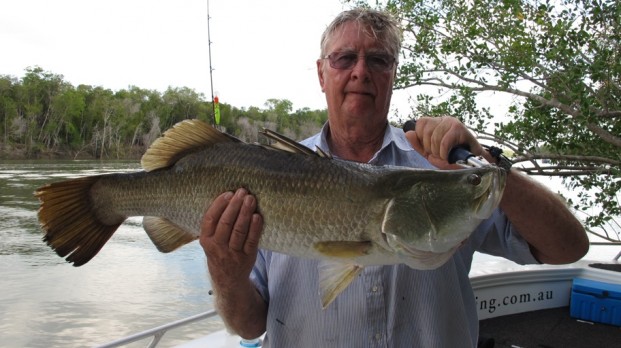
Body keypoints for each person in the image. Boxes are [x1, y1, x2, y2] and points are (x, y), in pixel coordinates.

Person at [199, 8, 589, 347]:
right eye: (344, 58)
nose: (361, 72)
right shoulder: (263, 173)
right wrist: (226, 272)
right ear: (321, 73)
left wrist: (486, 162)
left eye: (379, 60)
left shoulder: (446, 168)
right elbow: (249, 327)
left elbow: (568, 248)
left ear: (393, 73)